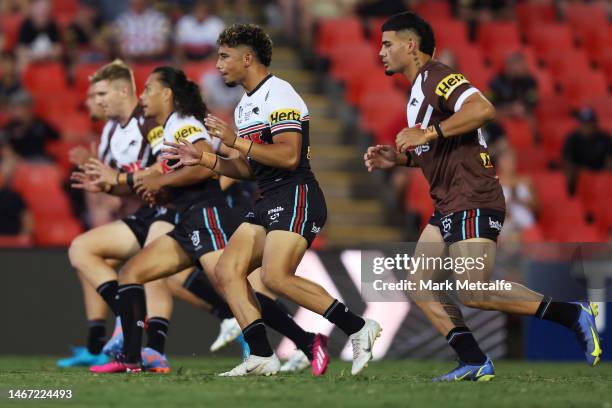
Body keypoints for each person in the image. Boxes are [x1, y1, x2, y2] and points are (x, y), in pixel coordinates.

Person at [363, 11, 601, 381]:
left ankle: (572, 314)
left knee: (473, 290)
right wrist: (402, 159)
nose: (381, 52)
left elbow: (483, 108)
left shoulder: (438, 77)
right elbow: (441, 149)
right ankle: (473, 359)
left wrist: (426, 135)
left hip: (472, 194)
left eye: (387, 44)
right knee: (418, 283)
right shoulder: (417, 91)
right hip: (449, 200)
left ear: (410, 46)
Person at [162, 24, 381, 377]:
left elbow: (289, 156)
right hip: (267, 197)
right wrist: (203, 159)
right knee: (226, 271)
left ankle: (357, 327)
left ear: (247, 58)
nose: (217, 65)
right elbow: (249, 168)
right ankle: (262, 356)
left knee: (275, 277)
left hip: (296, 194)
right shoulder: (246, 105)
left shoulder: (280, 94)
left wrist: (235, 140)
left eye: (224, 56)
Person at [90, 66, 327, 375]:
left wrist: (160, 183)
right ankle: (132, 359)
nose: (143, 96)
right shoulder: (163, 128)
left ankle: (307, 342)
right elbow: (173, 174)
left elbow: (205, 167)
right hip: (187, 220)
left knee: (234, 289)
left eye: (149, 89)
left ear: (167, 94)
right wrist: (156, 188)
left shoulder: (184, 123)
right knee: (132, 273)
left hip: (207, 217)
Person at [562, 107, 612, 194]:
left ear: (595, 123)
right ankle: (572, 197)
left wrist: (604, 172)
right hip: (580, 173)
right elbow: (567, 160)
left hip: (601, 172)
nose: (587, 127)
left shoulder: (604, 137)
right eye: (584, 124)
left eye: (590, 123)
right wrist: (581, 171)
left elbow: (609, 158)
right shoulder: (572, 138)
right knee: (569, 172)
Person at [3, 90, 59, 160]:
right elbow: (6, 147)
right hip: (18, 161)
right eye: (15, 108)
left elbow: (58, 136)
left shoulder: (41, 124)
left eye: (20, 107)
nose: (16, 111)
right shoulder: (11, 126)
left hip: (39, 159)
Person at [15, 0, 62, 71]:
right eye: (40, 8)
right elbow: (21, 50)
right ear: (33, 9)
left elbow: (58, 50)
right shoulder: (25, 25)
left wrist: (40, 57)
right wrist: (39, 57)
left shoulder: (53, 26)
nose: (42, 12)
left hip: (48, 62)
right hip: (31, 62)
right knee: (21, 63)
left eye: (45, 9)